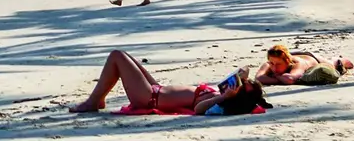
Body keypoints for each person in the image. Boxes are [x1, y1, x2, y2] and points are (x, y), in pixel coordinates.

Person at [67, 49, 264, 114]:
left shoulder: (221, 102)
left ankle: (94, 102)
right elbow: (244, 71)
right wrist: (241, 76)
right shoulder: (227, 92)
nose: (236, 86)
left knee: (117, 56)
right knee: (125, 56)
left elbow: (198, 110)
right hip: (156, 89)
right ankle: (98, 98)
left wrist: (222, 97)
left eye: (241, 87)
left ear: (240, 96)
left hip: (150, 98)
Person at [254, 44, 354, 85]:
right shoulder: (270, 63)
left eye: (278, 64)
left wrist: (274, 77)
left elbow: (290, 79)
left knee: (336, 64)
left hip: (312, 59)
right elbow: (258, 78)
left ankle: (338, 59)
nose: (274, 67)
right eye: (272, 63)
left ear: (288, 61)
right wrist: (279, 77)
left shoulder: (297, 64)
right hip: (295, 53)